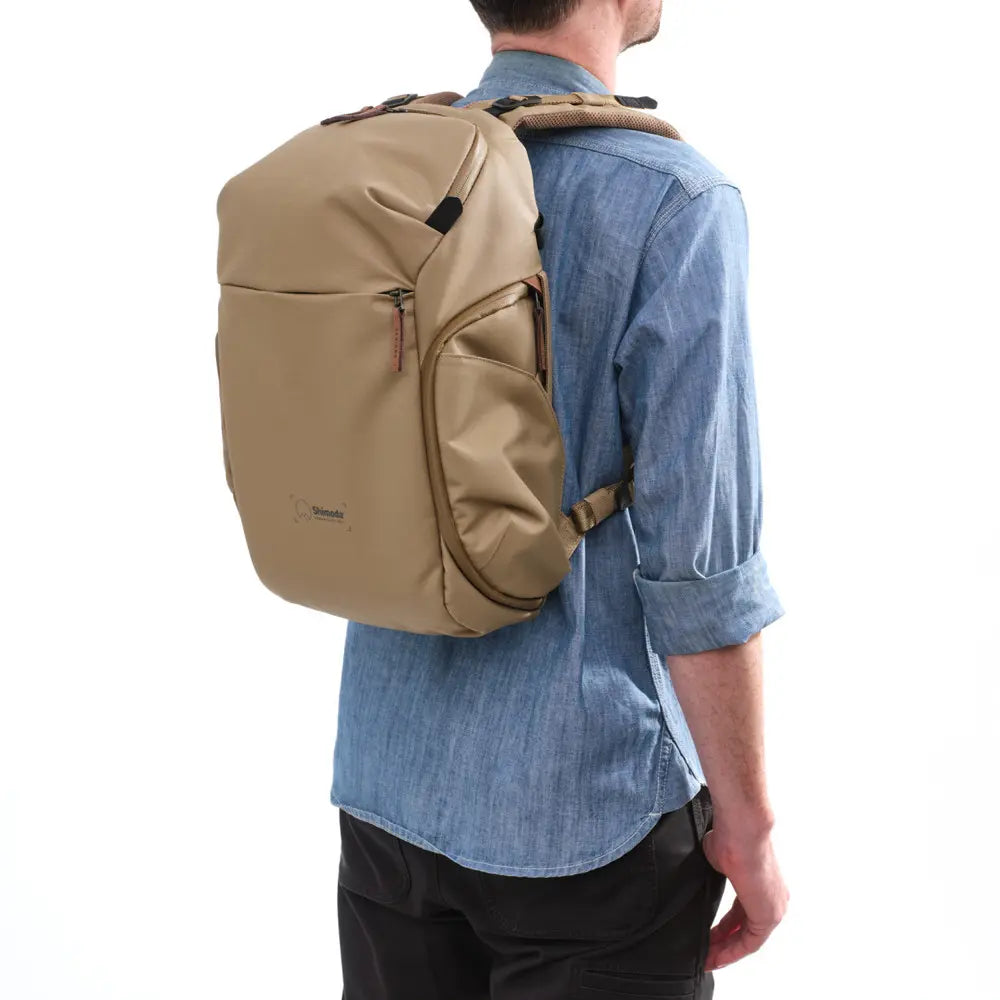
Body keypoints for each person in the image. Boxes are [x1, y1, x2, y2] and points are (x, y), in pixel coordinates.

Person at [331, 2, 790, 996]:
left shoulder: (377, 164)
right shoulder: (672, 200)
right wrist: (748, 830)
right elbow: (699, 566)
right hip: (589, 817)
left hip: (384, 777)